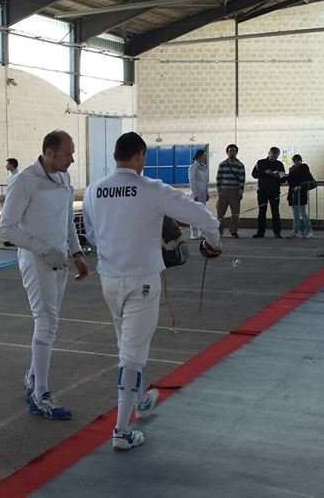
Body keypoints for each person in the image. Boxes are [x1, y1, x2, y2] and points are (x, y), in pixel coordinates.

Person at [83, 132, 222, 451]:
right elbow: (199, 215)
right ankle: (121, 430)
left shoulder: (93, 190)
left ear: (116, 156)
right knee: (131, 355)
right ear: (140, 155)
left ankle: (141, 399)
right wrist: (214, 240)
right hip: (142, 281)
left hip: (109, 280)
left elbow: (91, 234)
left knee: (128, 344)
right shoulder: (151, 189)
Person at [0, 130, 89, 421]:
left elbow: (67, 220)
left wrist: (76, 253)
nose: (72, 159)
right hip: (36, 262)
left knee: (51, 324)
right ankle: (41, 395)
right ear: (49, 153)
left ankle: (33, 378)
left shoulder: (64, 178)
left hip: (59, 261)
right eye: (67, 154)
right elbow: (6, 228)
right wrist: (43, 250)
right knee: (46, 323)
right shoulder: (24, 182)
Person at [251, 147, 286, 238]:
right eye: (272, 156)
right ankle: (260, 232)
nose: (273, 158)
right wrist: (265, 173)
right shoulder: (260, 163)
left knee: (275, 212)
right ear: (269, 153)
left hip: (275, 192)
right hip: (262, 192)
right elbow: (254, 174)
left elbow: (283, 179)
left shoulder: (279, 164)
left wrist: (273, 174)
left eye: (276, 156)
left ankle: (277, 232)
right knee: (262, 212)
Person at [215, 144, 245, 238]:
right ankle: (219, 231)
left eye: (233, 151)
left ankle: (233, 230)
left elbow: (242, 180)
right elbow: (219, 178)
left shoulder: (240, 165)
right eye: (230, 151)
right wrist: (219, 190)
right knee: (220, 213)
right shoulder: (222, 164)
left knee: (235, 213)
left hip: (235, 192)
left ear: (236, 152)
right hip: (223, 192)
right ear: (227, 152)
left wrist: (240, 191)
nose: (232, 152)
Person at [286, 154, 317, 238]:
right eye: (294, 161)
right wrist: (290, 172)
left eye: (298, 161)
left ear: (300, 161)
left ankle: (309, 230)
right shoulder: (293, 169)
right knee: (295, 214)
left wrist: (300, 187)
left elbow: (306, 180)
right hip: (293, 194)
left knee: (303, 213)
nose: (296, 163)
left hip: (301, 194)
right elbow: (290, 181)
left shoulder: (304, 168)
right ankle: (296, 230)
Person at [187, 149, 209, 240]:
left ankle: (201, 231)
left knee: (202, 213)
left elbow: (205, 182)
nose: (205, 157)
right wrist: (195, 194)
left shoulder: (203, 167)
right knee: (194, 213)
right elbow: (192, 181)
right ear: (199, 156)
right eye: (204, 155)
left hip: (203, 193)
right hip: (196, 193)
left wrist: (207, 193)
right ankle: (194, 232)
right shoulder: (193, 167)